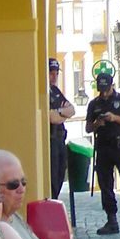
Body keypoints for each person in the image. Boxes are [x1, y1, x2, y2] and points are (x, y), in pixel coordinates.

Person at [85, 72, 120, 236]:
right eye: (101, 89)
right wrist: (98, 123)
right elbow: (88, 128)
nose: (103, 92)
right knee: (105, 185)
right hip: (103, 146)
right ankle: (112, 220)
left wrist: (114, 118)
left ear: (111, 85)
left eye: (106, 88)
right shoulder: (94, 104)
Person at [48, 58, 75, 200]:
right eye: (51, 73)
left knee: (60, 175)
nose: (54, 77)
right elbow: (52, 118)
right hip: (51, 140)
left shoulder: (55, 91)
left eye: (56, 73)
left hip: (59, 139)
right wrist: (61, 113)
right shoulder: (44, 92)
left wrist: (58, 112)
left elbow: (71, 110)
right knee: (52, 177)